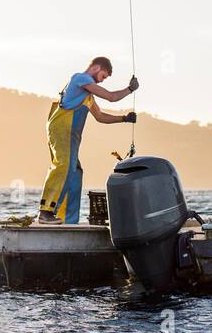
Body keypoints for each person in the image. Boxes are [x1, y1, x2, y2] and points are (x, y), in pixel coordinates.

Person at [38, 57, 138, 224]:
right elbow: (111, 97)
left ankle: (67, 219)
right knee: (64, 165)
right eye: (103, 76)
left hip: (71, 134)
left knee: (75, 171)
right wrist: (130, 89)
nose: (102, 80)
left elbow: (100, 117)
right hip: (63, 129)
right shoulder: (81, 78)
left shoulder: (88, 94)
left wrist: (124, 118)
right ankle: (46, 211)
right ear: (96, 67)